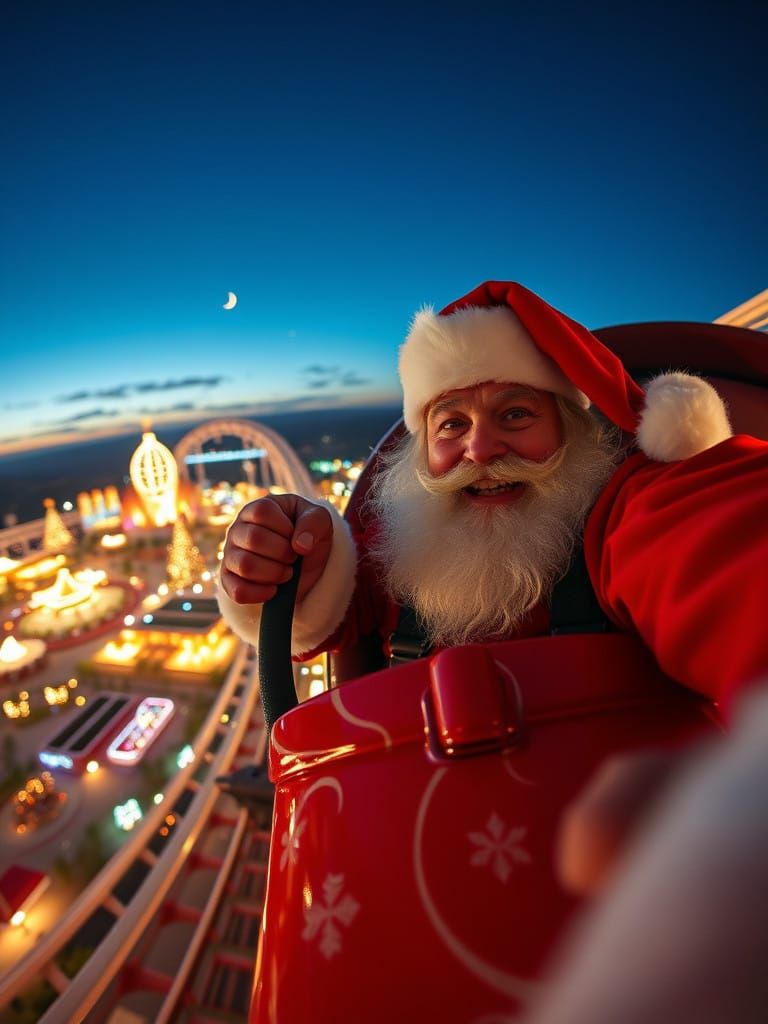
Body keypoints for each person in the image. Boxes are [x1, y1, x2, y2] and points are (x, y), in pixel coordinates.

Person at [217, 280, 767, 705]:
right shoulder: (394, 552)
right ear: (421, 450)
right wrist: (288, 564)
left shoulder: (623, 513)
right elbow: (322, 619)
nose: (480, 450)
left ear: (570, 431)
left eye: (516, 413)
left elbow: (726, 546)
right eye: (452, 424)